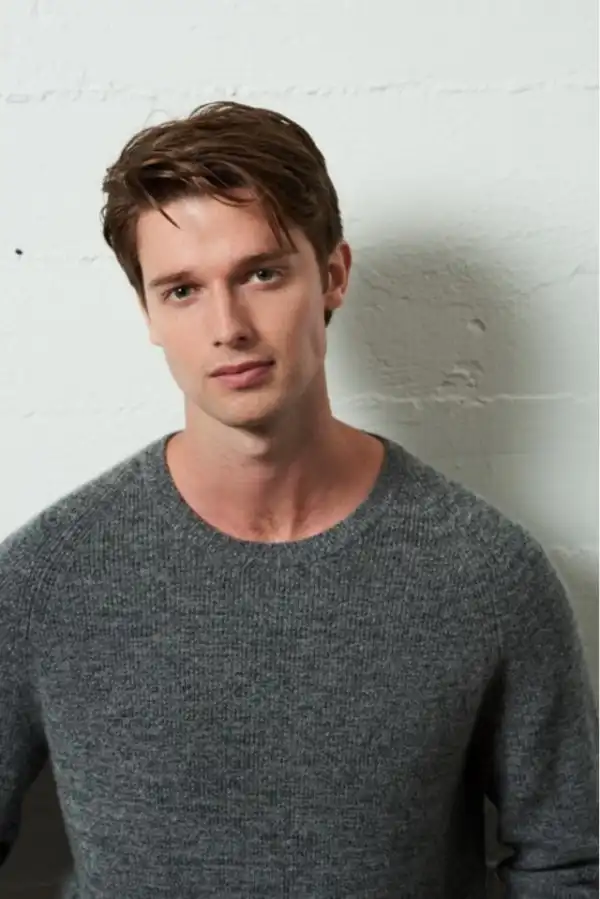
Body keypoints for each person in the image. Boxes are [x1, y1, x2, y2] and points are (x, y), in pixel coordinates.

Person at [0, 101, 597, 899]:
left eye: (262, 273)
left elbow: (569, 861)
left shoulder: (486, 572)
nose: (228, 326)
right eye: (182, 290)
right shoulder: (46, 578)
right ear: (148, 313)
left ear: (334, 276)